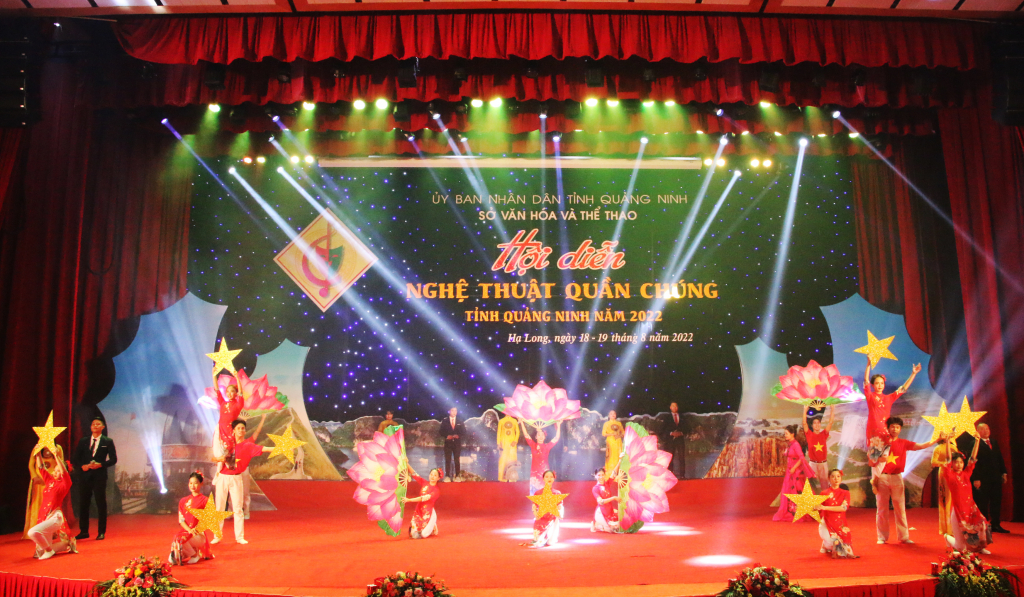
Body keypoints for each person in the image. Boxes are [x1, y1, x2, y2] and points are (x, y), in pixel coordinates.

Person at [874, 417, 940, 544]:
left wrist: (936, 439)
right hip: (882, 477)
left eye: (897, 427)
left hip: (897, 477)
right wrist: (878, 462)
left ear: (900, 429)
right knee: (882, 508)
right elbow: (872, 459)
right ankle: (882, 537)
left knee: (900, 508)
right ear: (888, 428)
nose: (895, 429)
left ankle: (904, 537)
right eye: (892, 426)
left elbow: (921, 446)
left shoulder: (903, 443)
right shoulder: (881, 443)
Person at [212, 415, 273, 544]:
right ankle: (217, 535)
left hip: (236, 478)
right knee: (219, 507)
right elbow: (214, 457)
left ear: (245, 431)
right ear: (233, 430)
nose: (241, 430)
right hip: (223, 477)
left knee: (238, 508)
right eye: (238, 428)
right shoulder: (227, 444)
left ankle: (239, 537)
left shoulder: (248, 445)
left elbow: (265, 449)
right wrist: (220, 459)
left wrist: (283, 448)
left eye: (243, 428)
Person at [863, 360, 921, 489]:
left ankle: (887, 487)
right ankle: (876, 487)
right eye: (877, 383)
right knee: (875, 460)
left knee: (887, 460)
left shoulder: (888, 398)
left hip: (886, 433)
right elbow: (866, 381)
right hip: (874, 433)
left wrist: (913, 374)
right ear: (873, 385)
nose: (879, 385)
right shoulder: (870, 396)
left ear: (884, 384)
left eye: (882, 383)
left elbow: (903, 389)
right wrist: (868, 364)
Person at [942, 430, 992, 553]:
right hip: (958, 511)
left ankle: (980, 547)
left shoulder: (966, 474)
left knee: (981, 525)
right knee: (960, 547)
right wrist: (947, 441)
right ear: (952, 464)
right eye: (956, 462)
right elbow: (947, 458)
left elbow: (973, 458)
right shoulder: (949, 475)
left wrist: (977, 441)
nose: (959, 464)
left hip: (970, 508)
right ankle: (947, 537)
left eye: (961, 462)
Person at [26, 447, 77, 559]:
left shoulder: (65, 484)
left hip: (54, 517)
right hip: (44, 515)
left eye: (58, 471)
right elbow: (41, 468)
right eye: (55, 470)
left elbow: (64, 472)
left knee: (32, 532)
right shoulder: (50, 481)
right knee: (39, 553)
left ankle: (49, 551)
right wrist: (38, 454)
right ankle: (66, 545)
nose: (55, 472)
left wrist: (56, 456)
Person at [73, 415, 117, 541]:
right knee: (84, 503)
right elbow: (76, 459)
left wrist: (101, 465)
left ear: (102, 427)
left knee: (100, 503)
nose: (95, 426)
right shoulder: (84, 441)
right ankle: (84, 531)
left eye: (98, 424)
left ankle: (101, 532)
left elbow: (113, 459)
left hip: (99, 476)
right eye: (93, 424)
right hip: (85, 476)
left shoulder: (107, 441)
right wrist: (83, 466)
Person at [961, 423, 1009, 534]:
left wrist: (1004, 472)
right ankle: (983, 525)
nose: (986, 431)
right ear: (978, 431)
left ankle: (996, 524)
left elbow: (999, 458)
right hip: (982, 479)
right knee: (982, 502)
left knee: (996, 501)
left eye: (987, 428)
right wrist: (976, 478)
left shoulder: (994, 442)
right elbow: (972, 461)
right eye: (983, 429)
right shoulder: (974, 443)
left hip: (995, 477)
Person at [773, 425, 817, 522]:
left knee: (797, 490)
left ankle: (799, 510)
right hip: (790, 471)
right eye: (785, 434)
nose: (785, 435)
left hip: (796, 472)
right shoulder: (790, 444)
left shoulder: (796, 445)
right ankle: (791, 510)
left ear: (792, 434)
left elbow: (801, 458)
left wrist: (794, 467)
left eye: (786, 434)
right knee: (788, 490)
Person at [170, 471, 213, 565]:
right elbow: (181, 520)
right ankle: (187, 552)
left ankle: (194, 555)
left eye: (195, 483)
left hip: (198, 534)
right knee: (173, 556)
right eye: (190, 483)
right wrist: (189, 530)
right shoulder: (183, 501)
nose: (192, 486)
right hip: (186, 532)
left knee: (181, 540)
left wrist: (196, 529)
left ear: (201, 484)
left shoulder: (205, 500)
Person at [815, 469, 857, 558]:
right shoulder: (824, 493)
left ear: (841, 478)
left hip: (840, 523)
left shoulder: (845, 493)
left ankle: (826, 545)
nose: (836, 479)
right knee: (833, 542)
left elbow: (843, 508)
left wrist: (824, 507)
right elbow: (817, 509)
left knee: (844, 546)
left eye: (838, 476)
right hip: (826, 523)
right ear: (829, 478)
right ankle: (826, 544)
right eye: (833, 476)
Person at [212, 370, 243, 468]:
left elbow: (241, 393)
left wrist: (237, 377)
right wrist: (214, 375)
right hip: (220, 429)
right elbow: (217, 389)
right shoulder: (222, 403)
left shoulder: (238, 404)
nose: (229, 393)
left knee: (229, 449)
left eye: (232, 391)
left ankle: (231, 466)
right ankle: (220, 470)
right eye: (228, 391)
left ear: (236, 393)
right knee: (219, 451)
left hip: (230, 431)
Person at [525, 470, 563, 548]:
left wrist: (559, 511)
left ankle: (550, 536)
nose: (549, 478)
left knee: (550, 542)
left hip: (552, 519)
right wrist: (536, 514)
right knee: (539, 542)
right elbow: (534, 506)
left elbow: (560, 506)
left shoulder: (557, 493)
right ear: (543, 479)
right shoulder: (538, 493)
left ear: (554, 479)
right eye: (547, 477)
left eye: (551, 477)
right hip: (541, 518)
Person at [521, 420, 561, 494]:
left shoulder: (547, 446)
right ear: (536, 437)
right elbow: (526, 434)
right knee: (535, 492)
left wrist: (558, 426)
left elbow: (556, 438)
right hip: (534, 472)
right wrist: (522, 422)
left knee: (545, 492)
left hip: (545, 472)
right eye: (539, 435)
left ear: (545, 437)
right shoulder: (533, 445)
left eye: (542, 435)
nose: (541, 437)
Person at [403, 465, 442, 539]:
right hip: (419, 509)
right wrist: (407, 464)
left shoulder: (436, 491)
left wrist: (409, 500)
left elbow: (423, 498)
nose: (432, 476)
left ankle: (432, 524)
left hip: (428, 512)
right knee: (413, 534)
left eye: (435, 475)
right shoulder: (425, 483)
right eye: (431, 474)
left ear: (438, 478)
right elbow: (414, 474)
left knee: (423, 534)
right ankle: (431, 526)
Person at [930, 435, 957, 536]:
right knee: (946, 499)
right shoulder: (938, 448)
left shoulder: (954, 447)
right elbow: (933, 462)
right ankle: (946, 527)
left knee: (954, 498)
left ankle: (954, 526)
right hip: (944, 473)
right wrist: (944, 463)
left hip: (954, 472)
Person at [803, 406, 835, 491]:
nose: (817, 425)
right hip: (813, 464)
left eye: (818, 423)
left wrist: (832, 409)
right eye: (815, 423)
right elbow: (804, 423)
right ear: (812, 425)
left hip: (823, 464)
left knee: (825, 486)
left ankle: (825, 499)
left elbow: (830, 422)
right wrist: (805, 410)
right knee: (810, 486)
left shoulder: (824, 434)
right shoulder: (809, 434)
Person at [657, 402, 687, 479]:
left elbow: (687, 428)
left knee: (681, 457)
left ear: (677, 407)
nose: (675, 407)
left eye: (676, 406)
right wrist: (671, 433)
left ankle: (682, 475)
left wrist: (681, 433)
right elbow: (662, 429)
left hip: (680, 440)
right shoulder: (667, 417)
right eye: (673, 406)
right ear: (670, 407)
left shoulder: (682, 417)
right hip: (670, 441)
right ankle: (670, 476)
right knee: (670, 458)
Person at [439, 407, 465, 482]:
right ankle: (447, 476)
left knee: (457, 460)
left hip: (457, 444)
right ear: (449, 411)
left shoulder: (460, 421)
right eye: (453, 410)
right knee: (448, 460)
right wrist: (447, 436)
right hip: (448, 444)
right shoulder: (445, 421)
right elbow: (441, 431)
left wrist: (458, 435)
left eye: (456, 410)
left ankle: (457, 475)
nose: (454, 412)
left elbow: (464, 431)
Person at [591, 467, 620, 533]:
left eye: (602, 475)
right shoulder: (595, 488)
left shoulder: (607, 484)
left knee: (618, 527)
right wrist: (614, 498)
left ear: (604, 475)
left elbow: (614, 473)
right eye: (599, 475)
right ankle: (597, 524)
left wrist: (619, 462)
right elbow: (601, 502)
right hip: (601, 512)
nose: (601, 477)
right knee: (612, 530)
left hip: (609, 511)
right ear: (595, 476)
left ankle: (601, 525)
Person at [496, 415, 520, 482]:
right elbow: (499, 432)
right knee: (503, 459)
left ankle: (512, 478)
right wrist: (498, 443)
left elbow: (517, 431)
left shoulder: (514, 421)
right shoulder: (501, 421)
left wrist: (515, 441)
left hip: (512, 443)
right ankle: (502, 478)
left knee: (512, 459)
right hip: (503, 443)